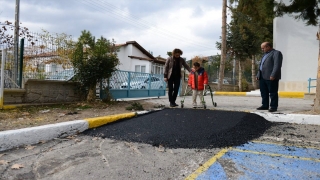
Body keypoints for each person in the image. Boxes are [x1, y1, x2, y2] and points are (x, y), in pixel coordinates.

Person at [256, 42, 283, 112]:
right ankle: (265, 105)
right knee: (263, 92)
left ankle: (273, 107)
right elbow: (261, 65)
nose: (262, 50)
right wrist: (258, 74)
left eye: (263, 48)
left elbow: (277, 65)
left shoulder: (276, 53)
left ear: (268, 47)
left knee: (273, 92)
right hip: (262, 76)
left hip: (271, 76)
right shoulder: (264, 55)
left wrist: (273, 75)